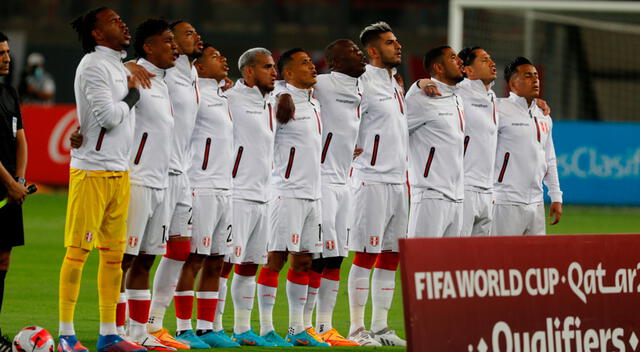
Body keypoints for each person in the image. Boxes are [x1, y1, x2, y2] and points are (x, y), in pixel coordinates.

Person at [59, 7, 145, 352]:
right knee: (78, 252)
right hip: (92, 170)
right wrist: (133, 96)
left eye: (121, 19)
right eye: (113, 21)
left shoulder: (116, 64)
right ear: (96, 34)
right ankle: (66, 334)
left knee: (113, 258)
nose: (123, 23)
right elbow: (109, 118)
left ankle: (109, 333)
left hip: (119, 172)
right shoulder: (92, 65)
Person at [254, 48, 329, 347]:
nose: (312, 66)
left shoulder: (315, 103)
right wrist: (280, 93)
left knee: (306, 262)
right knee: (276, 259)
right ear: (287, 74)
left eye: (311, 62)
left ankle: (297, 329)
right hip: (286, 193)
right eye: (304, 63)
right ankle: (265, 329)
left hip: (313, 194)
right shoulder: (277, 100)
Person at [172, 43, 238, 348]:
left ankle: (207, 327)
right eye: (214, 56)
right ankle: (183, 328)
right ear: (198, 67)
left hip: (225, 188)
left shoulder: (223, 95)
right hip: (200, 186)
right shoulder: (193, 93)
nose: (223, 58)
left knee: (217, 261)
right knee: (193, 260)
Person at [347, 21, 407, 347]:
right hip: (370, 179)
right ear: (372, 51)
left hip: (398, 182)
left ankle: (381, 327)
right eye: (389, 42)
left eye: (396, 40)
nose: (397, 46)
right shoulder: (361, 83)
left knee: (391, 256)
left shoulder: (396, 83)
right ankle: (357, 329)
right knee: (365, 255)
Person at [119, 18, 178, 351]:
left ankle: (138, 331)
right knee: (123, 259)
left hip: (161, 182)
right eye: (166, 41)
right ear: (147, 47)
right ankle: (113, 330)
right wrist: (124, 64)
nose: (173, 47)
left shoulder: (163, 81)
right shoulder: (132, 76)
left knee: (145, 260)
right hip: (137, 179)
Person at [301, 39, 365, 346]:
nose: (360, 54)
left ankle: (325, 326)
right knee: (318, 256)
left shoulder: (360, 88)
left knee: (337, 256)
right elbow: (287, 92)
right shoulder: (321, 85)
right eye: (353, 52)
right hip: (322, 181)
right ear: (336, 61)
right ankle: (302, 326)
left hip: (345, 181)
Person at [145, 21, 202, 350]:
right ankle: (130, 325)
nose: (196, 37)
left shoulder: (191, 72)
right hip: (159, 172)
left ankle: (155, 323)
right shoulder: (164, 69)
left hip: (183, 174)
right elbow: (136, 67)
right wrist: (128, 66)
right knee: (142, 254)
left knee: (180, 250)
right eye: (188, 34)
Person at [224, 48, 285, 346]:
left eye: (274, 67)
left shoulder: (272, 100)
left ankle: (242, 328)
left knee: (249, 264)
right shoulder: (230, 99)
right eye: (267, 67)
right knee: (222, 264)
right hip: (236, 193)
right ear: (248, 71)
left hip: (264, 194)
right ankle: (207, 326)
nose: (275, 72)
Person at [491, 57, 562, 236]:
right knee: (502, 260)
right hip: (505, 202)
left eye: (536, 75)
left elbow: (549, 158)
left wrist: (555, 195)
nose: (535, 80)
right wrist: (423, 83)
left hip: (536, 203)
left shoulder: (544, 115)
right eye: (528, 76)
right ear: (513, 84)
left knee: (535, 262)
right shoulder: (497, 108)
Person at [405, 45, 465, 238]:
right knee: (420, 263)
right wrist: (417, 84)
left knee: (449, 266)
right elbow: (396, 130)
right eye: (453, 57)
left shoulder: (457, 97)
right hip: (430, 195)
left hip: (456, 197)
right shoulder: (421, 97)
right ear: (438, 68)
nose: (460, 61)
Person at [0, 31, 29, 351]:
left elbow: (21, 137)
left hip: (11, 193)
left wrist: (19, 181)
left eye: (7, 52)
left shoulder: (9, 92)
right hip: (3, 188)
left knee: (3, 261)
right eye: (0, 53)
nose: (6, 58)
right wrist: (9, 183)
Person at [455, 47, 499, 237]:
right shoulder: (457, 92)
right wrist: (421, 84)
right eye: (484, 60)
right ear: (468, 70)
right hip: (464, 188)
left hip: (488, 190)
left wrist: (535, 105)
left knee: (478, 260)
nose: (492, 63)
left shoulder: (492, 97)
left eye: (490, 58)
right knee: (456, 254)